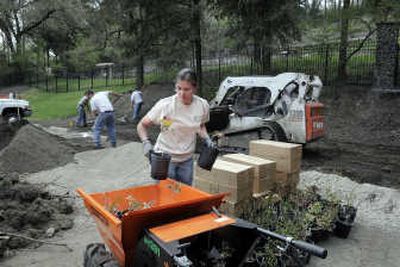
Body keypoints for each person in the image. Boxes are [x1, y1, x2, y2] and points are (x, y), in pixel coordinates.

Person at [137, 68, 212, 185]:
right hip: (164, 160)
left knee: (185, 196)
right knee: (166, 197)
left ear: (194, 88)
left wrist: (207, 138)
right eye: (179, 88)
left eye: (186, 89)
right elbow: (142, 125)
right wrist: (145, 142)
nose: (181, 93)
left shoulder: (202, 105)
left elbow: (201, 126)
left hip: (187, 160)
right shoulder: (165, 105)